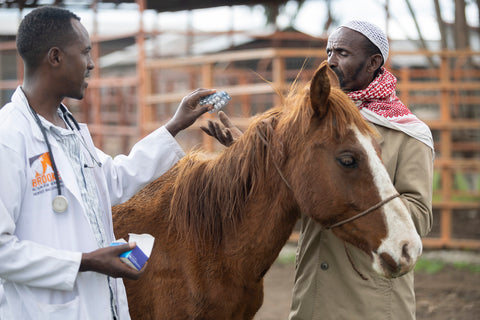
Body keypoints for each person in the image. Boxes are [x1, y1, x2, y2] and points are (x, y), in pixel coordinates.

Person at [201, 20, 434, 320]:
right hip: (313, 293)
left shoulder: (409, 132)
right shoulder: (315, 121)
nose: (331, 60)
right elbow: (291, 183)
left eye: (343, 52)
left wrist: (354, 201)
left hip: (371, 294)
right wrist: (249, 151)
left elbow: (420, 214)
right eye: (329, 51)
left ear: (374, 62)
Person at [0, 6, 217, 320]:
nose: (91, 64)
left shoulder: (69, 129)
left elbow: (113, 180)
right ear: (55, 57)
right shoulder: (9, 137)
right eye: (85, 52)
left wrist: (174, 126)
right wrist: (84, 261)